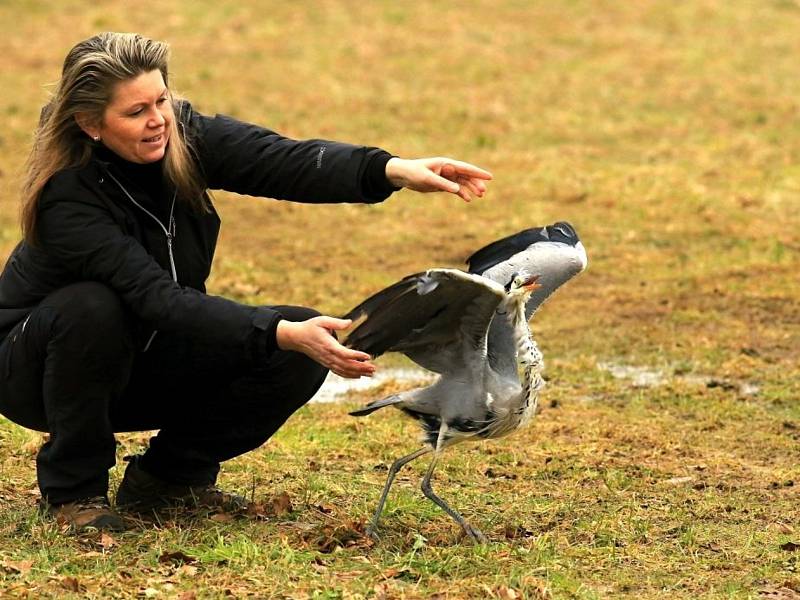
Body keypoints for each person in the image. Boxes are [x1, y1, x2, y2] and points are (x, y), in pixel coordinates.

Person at [0, 32, 492, 532]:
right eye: (135, 112)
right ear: (90, 124)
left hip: (139, 353)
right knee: (92, 307)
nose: (157, 120)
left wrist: (390, 170)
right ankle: (74, 493)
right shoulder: (69, 198)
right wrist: (274, 329)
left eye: (161, 100)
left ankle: (169, 481)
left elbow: (281, 159)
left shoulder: (183, 139)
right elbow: (157, 299)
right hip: (37, 373)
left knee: (298, 343)